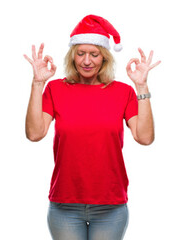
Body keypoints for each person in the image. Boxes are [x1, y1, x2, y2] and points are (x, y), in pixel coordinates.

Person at [24, 15, 159, 240]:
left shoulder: (123, 92)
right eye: (81, 53)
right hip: (64, 205)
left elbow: (144, 137)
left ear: (104, 57)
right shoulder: (56, 89)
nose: (87, 61)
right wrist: (38, 84)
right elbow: (34, 133)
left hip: (111, 206)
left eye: (94, 54)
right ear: (72, 56)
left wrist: (141, 86)